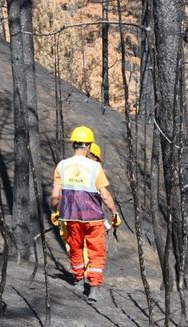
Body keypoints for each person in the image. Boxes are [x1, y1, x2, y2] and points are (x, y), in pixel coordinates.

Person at [50, 126, 121, 303]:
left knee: (75, 247)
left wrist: (55, 211)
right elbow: (104, 195)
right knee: (96, 251)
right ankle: (94, 289)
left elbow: (55, 194)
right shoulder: (95, 166)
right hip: (93, 218)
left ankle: (79, 280)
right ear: (88, 146)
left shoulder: (62, 165)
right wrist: (114, 213)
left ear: (74, 144)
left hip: (71, 215)